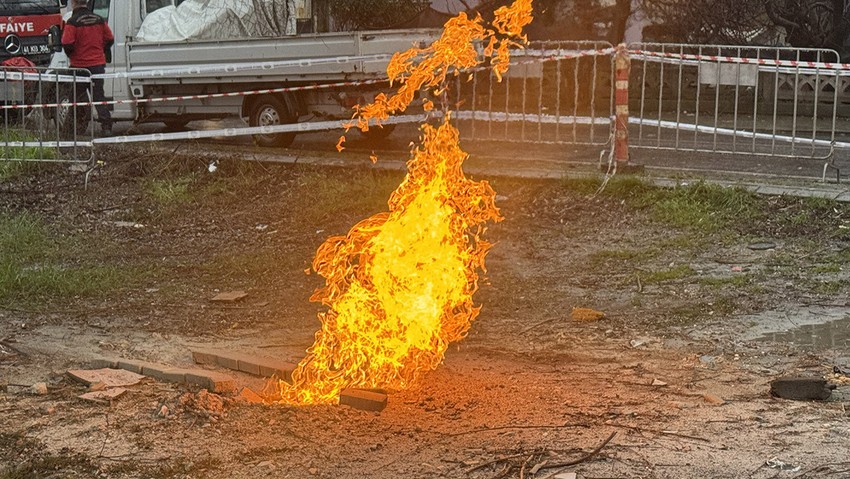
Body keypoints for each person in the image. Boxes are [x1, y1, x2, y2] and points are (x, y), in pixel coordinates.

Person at [61, 0, 114, 135]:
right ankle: (106, 125)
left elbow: (66, 43)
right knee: (98, 95)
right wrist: (101, 50)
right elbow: (110, 38)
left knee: (76, 98)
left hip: (79, 67)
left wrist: (73, 55)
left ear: (73, 3)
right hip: (97, 65)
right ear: (87, 3)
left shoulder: (72, 22)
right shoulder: (99, 20)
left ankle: (72, 127)